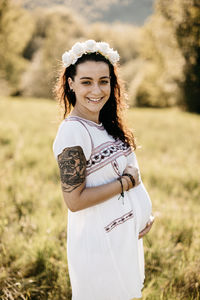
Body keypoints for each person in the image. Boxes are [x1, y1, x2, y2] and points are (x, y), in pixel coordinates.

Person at [53, 40, 154, 300]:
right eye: (86, 81)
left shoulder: (108, 126)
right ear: (70, 83)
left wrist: (141, 215)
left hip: (123, 240)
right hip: (97, 247)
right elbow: (74, 200)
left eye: (104, 81)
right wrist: (125, 184)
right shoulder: (73, 131)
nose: (96, 90)